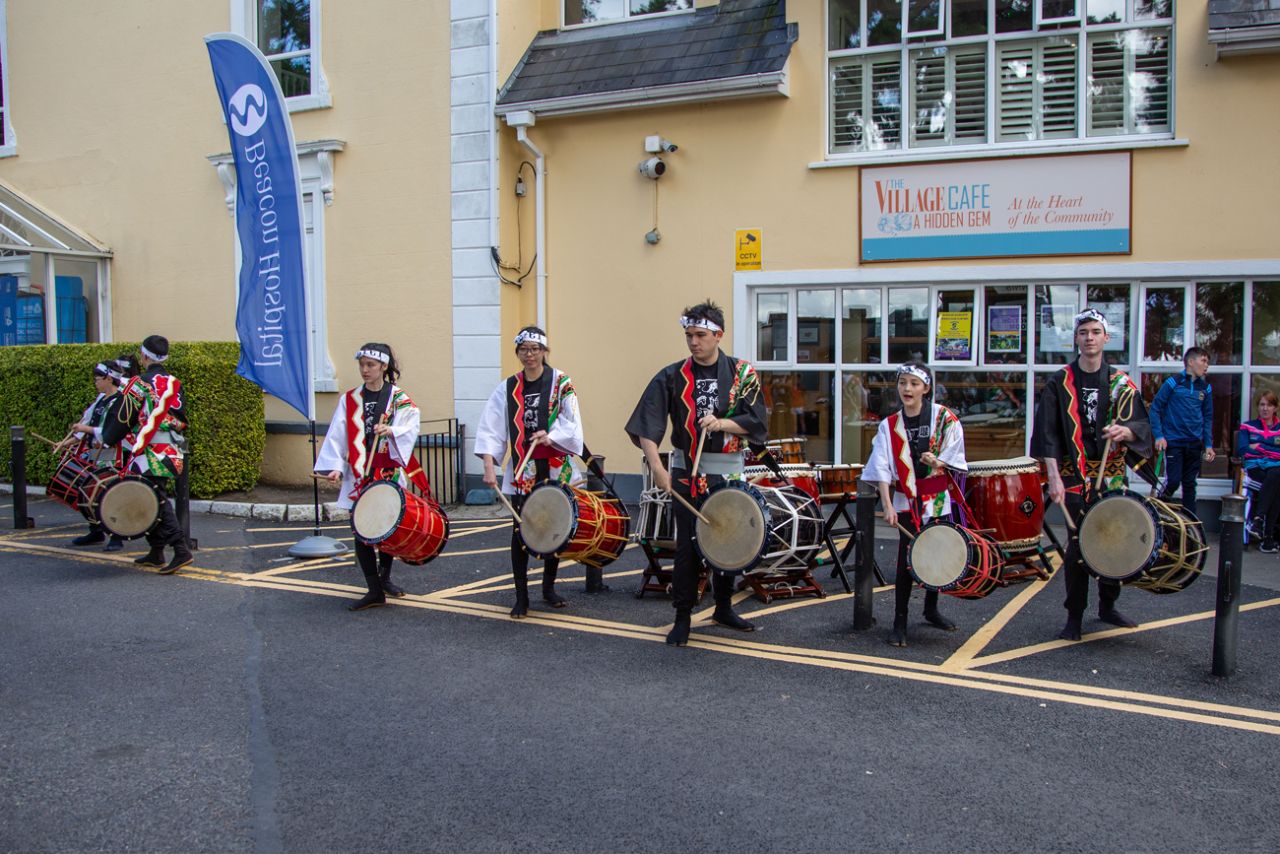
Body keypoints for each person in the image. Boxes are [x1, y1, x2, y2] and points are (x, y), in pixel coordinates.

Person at [625, 300, 768, 647]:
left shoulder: (741, 373)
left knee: (727, 540)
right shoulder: (672, 375)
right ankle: (682, 617)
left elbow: (757, 421)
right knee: (688, 546)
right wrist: (658, 467)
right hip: (686, 470)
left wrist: (722, 423)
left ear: (718, 335)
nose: (693, 342)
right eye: (688, 335)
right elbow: (647, 422)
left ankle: (723, 607)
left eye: (700, 335)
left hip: (728, 472)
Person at [1031, 309, 1153, 641]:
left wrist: (1124, 432)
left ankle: (1108, 606)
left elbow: (1141, 426)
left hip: (1110, 475)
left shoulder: (1119, 383)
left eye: (1095, 332)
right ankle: (1074, 616)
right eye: (1083, 332)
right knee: (1076, 545)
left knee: (1113, 539)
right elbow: (1047, 434)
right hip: (1072, 475)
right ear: (1077, 338)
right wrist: (1053, 477)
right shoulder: (1060, 381)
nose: (1089, 337)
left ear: (1105, 338)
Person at [475, 327, 584, 618]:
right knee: (520, 531)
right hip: (523, 468)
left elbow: (571, 419)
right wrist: (489, 463)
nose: (530, 354)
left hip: (556, 466)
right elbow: (492, 426)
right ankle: (521, 596)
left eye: (535, 348)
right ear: (518, 353)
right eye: (524, 349)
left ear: (544, 351)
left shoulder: (561, 382)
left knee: (555, 527)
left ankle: (548, 588)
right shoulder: (508, 387)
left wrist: (553, 435)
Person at [316, 343, 430, 611]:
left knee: (387, 528)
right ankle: (374, 588)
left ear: (383, 367)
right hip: (359, 475)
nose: (365, 370)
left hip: (386, 471)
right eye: (362, 365)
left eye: (370, 365)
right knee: (361, 530)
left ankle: (385, 577)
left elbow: (410, 425)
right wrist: (333, 466)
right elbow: (337, 434)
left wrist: (392, 431)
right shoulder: (350, 399)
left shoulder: (398, 398)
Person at [863, 362, 967, 647]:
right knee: (905, 561)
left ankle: (931, 609)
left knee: (937, 553)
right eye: (902, 383)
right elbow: (881, 467)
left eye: (913, 383)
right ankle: (900, 619)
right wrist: (886, 504)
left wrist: (940, 461)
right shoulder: (890, 425)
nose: (907, 389)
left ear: (926, 388)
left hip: (937, 499)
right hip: (905, 499)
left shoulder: (943, 418)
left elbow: (954, 450)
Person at [100, 336, 193, 574]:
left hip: (148, 450)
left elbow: (123, 418)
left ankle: (180, 549)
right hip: (172, 448)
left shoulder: (139, 383)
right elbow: (181, 420)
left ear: (143, 356)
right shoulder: (174, 383)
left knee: (155, 499)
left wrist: (107, 438)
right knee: (152, 495)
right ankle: (156, 550)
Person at [66, 357, 137, 551]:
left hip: (114, 454)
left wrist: (85, 430)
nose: (95, 382)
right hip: (97, 453)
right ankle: (96, 529)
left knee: (110, 493)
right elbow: (89, 423)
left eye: (98, 378)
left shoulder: (121, 401)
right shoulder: (101, 400)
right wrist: (70, 441)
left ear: (108, 379)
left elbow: (111, 430)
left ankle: (116, 536)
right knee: (88, 492)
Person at [1150, 346, 1214, 514]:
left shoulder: (1206, 388)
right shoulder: (1173, 383)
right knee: (1173, 481)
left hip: (1194, 443)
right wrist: (1159, 436)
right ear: (1191, 362)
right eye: (1204, 361)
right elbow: (1155, 409)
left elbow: (1208, 418)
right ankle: (1156, 510)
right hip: (1174, 442)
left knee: (1190, 484)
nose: (1207, 365)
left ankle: (1191, 525)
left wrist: (1208, 444)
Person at [1238, 390, 1280, 553]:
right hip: (1254, 468)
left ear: (1275, 408)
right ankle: (1267, 539)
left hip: (1274, 468)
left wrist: (1260, 446)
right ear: (1258, 407)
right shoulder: (1248, 426)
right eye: (1262, 404)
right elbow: (1243, 450)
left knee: (1276, 476)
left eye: (1269, 405)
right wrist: (1272, 448)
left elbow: (1254, 449)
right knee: (1276, 482)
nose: (1265, 408)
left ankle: (1258, 520)